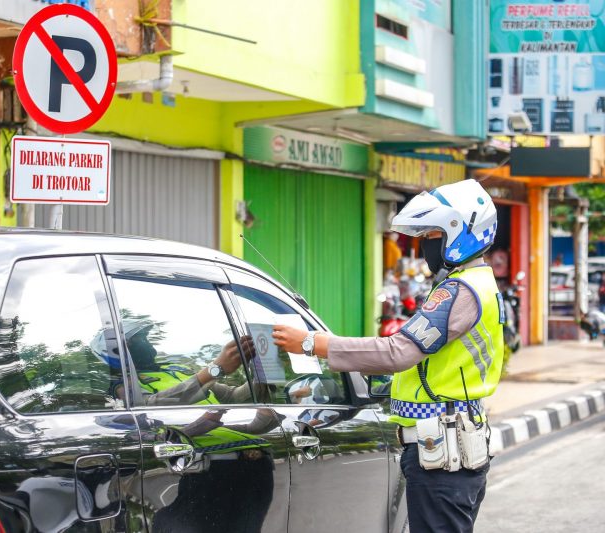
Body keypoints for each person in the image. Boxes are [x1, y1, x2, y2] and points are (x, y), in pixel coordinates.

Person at [272, 179, 503, 533]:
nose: (426, 245)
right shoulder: (480, 283)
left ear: (460, 233)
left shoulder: (460, 290)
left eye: (430, 236)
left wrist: (313, 344)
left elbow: (400, 352)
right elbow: (429, 366)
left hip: (443, 458)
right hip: (453, 448)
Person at [91, 319, 253, 406]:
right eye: (140, 340)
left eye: (146, 338)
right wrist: (214, 370)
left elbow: (232, 397)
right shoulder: (124, 385)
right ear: (118, 350)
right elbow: (148, 407)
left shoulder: (178, 369)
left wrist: (265, 376)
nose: (148, 344)